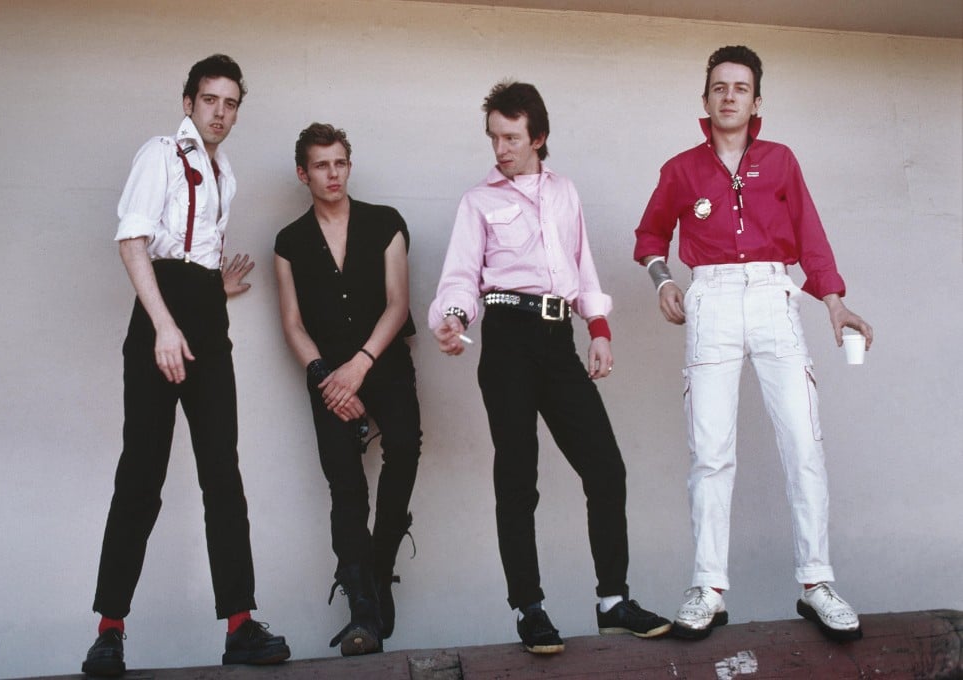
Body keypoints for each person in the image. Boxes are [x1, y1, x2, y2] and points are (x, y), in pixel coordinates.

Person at [633, 45, 873, 643]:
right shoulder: (681, 169)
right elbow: (650, 234)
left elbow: (811, 238)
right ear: (706, 98)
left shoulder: (781, 161)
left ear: (756, 100)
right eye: (719, 87)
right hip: (709, 299)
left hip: (774, 294)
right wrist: (664, 280)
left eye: (741, 87)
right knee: (710, 450)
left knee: (803, 440)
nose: (730, 95)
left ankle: (816, 583)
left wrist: (834, 301)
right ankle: (708, 587)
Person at [429, 81, 670, 655]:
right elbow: (462, 277)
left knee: (606, 469)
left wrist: (601, 331)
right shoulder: (478, 202)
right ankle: (529, 608)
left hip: (559, 338)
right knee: (518, 478)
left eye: (512, 137)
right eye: (494, 137)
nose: (500, 149)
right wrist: (455, 318)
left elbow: (583, 268)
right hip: (507, 339)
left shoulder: (565, 194)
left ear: (538, 137)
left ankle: (614, 602)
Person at [82, 54, 291, 677]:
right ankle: (109, 630)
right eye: (209, 100)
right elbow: (133, 239)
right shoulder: (160, 154)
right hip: (160, 318)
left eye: (230, 103)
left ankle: (240, 624)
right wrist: (165, 323)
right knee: (141, 475)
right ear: (188, 103)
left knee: (222, 474)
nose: (220, 112)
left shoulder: (227, 172)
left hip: (204, 316)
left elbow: (191, 248)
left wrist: (210, 290)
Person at [273, 123, 422, 656]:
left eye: (339, 163)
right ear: (303, 172)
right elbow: (291, 323)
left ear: (348, 166)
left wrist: (359, 366)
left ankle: (379, 570)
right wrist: (325, 378)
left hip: (381, 362)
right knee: (345, 484)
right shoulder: (289, 241)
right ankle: (362, 606)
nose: (332, 174)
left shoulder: (385, 223)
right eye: (320, 165)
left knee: (404, 445)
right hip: (327, 376)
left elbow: (398, 303)